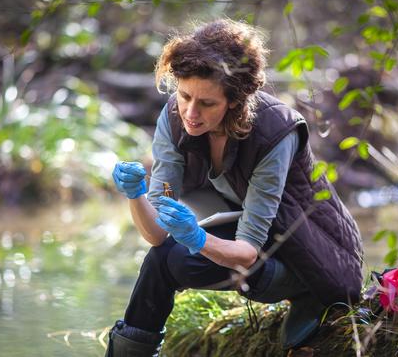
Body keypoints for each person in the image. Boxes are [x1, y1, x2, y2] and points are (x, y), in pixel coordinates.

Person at [107, 19, 363, 356]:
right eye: (185, 96)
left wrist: (197, 239)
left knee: (193, 257)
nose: (191, 113)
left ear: (235, 100)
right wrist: (137, 195)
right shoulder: (174, 117)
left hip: (314, 256)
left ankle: (307, 296)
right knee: (162, 260)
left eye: (207, 104)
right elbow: (157, 233)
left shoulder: (276, 132)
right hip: (256, 243)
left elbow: (247, 251)